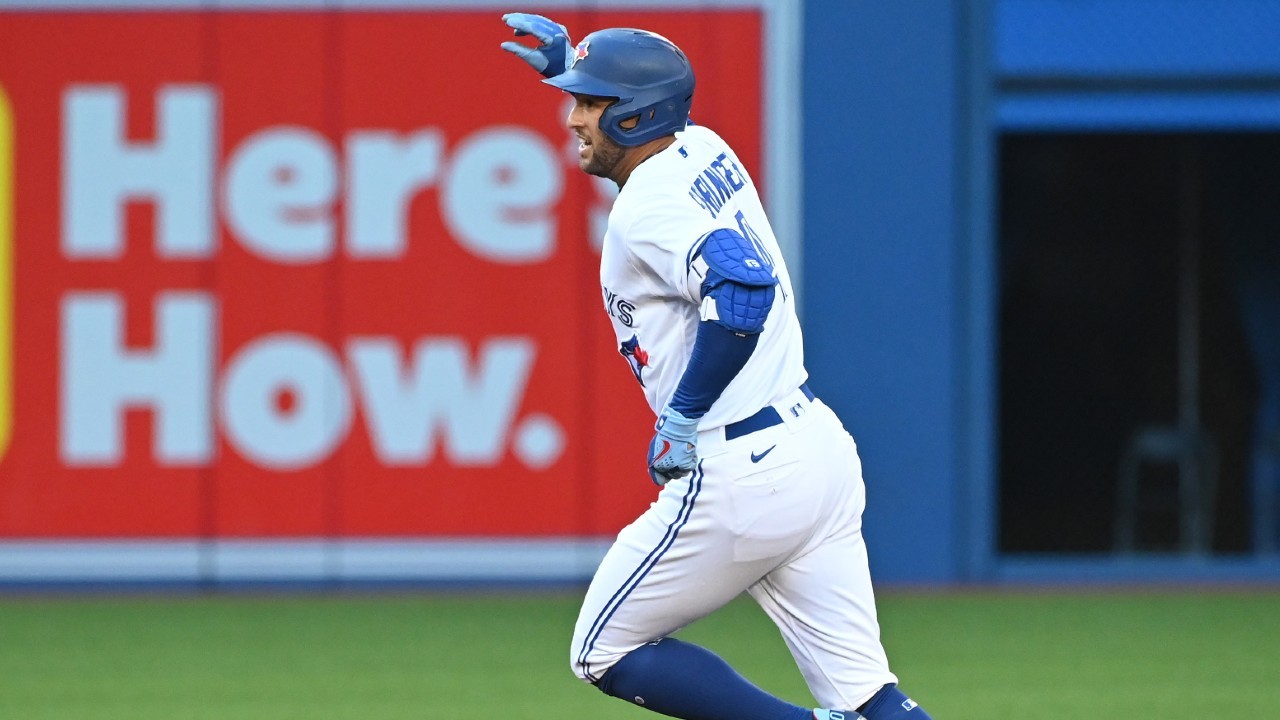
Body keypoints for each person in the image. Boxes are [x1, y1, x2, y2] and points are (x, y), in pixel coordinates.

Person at [500, 13, 934, 720]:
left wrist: (682, 414)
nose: (573, 118)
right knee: (871, 697)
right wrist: (571, 67)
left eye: (590, 102)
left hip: (742, 471)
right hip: (813, 448)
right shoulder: (700, 144)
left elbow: (742, 290)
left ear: (637, 116)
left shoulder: (647, 207)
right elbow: (670, 196)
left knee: (601, 650)